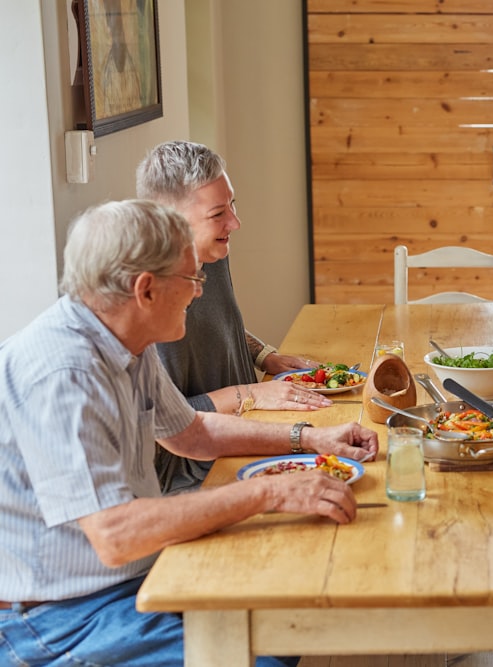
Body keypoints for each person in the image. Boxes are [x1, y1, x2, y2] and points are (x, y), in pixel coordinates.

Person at [0, 200, 378, 666]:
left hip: (125, 580)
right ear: (146, 290)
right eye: (191, 280)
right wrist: (267, 494)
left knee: (288, 602)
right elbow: (115, 535)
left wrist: (309, 438)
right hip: (59, 617)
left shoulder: (123, 340)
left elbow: (192, 434)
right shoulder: (64, 375)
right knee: (261, 655)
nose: (199, 293)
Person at [137, 140, 329, 493]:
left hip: (253, 427)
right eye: (217, 214)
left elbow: (221, 322)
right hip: (200, 474)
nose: (235, 223)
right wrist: (251, 394)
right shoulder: (150, 300)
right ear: (171, 224)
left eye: (232, 205)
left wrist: (264, 356)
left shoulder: (213, 251)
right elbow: (170, 423)